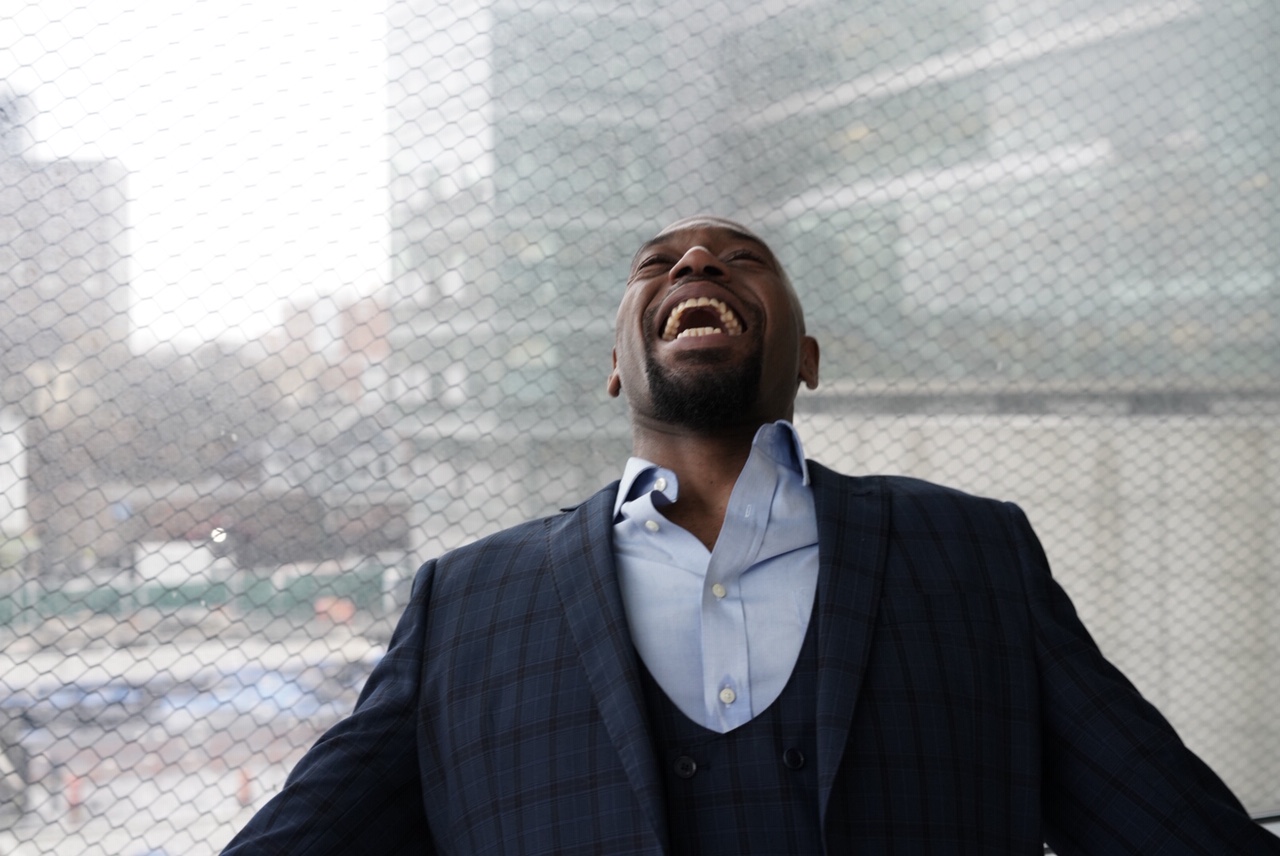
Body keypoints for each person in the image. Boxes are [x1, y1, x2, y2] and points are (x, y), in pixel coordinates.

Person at [223, 216, 1278, 855]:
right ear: (614, 365)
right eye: (659, 261)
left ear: (805, 355)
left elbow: (1162, 818)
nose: (695, 260)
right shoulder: (463, 602)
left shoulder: (974, 551)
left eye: (742, 257)